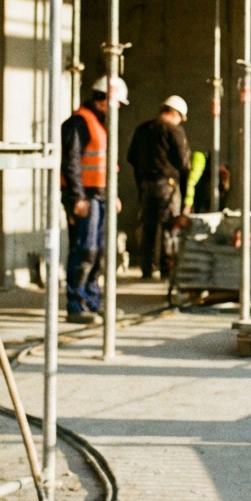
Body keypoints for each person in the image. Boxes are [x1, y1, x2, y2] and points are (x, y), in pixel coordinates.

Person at [61, 76, 128, 325]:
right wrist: (77, 198)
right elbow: (72, 163)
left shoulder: (99, 124)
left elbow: (106, 166)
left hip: (99, 196)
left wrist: (112, 194)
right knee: (85, 250)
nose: (119, 107)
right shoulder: (79, 123)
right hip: (85, 197)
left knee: (99, 252)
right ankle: (75, 304)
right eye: (116, 102)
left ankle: (92, 301)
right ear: (104, 99)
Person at [126, 95, 192, 279]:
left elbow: (131, 158)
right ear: (175, 114)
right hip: (167, 186)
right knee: (169, 228)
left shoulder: (142, 129)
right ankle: (166, 269)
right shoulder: (174, 131)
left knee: (148, 228)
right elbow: (183, 162)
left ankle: (146, 269)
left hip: (146, 185)